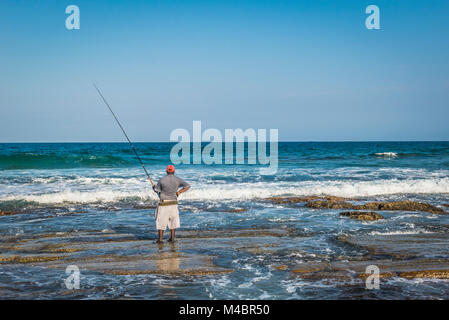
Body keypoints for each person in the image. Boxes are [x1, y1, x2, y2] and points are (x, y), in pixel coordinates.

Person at [153, 165, 190, 243]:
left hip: (164, 203)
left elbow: (157, 190)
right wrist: (179, 192)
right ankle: (172, 239)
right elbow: (188, 186)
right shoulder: (178, 179)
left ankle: (160, 239)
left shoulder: (162, 180)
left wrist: (154, 187)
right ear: (173, 171)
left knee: (161, 221)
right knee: (173, 221)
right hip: (173, 202)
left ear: (166, 171)